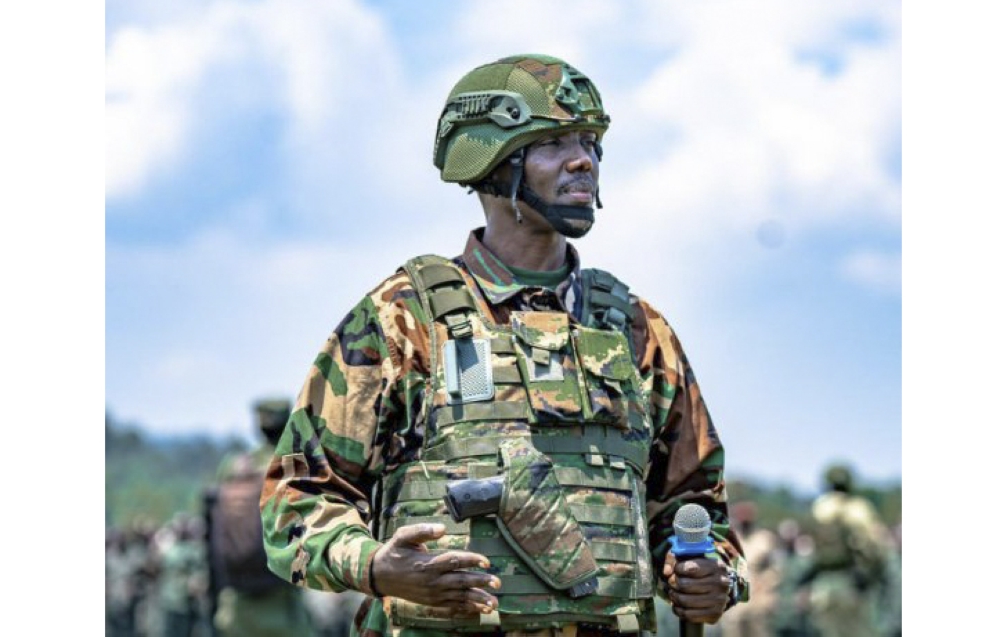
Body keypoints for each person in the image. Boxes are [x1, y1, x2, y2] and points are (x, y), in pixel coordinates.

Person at [260, 53, 750, 637]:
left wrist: (711, 576)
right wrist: (376, 566)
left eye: (591, 142)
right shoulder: (404, 320)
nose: (583, 162)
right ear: (492, 162)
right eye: (554, 143)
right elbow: (295, 500)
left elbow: (696, 504)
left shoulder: (637, 331)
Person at [206, 398, 316, 637]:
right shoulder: (293, 465)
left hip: (235, 604)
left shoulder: (233, 467)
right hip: (282, 602)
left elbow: (215, 530)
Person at [800, 463, 893, 637]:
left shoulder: (818, 508)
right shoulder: (858, 509)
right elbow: (876, 546)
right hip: (853, 585)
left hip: (822, 587)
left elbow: (809, 549)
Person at [718, 502, 781, 637]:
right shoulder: (729, 540)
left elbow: (776, 568)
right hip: (735, 599)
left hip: (759, 597)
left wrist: (766, 582)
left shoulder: (765, 539)